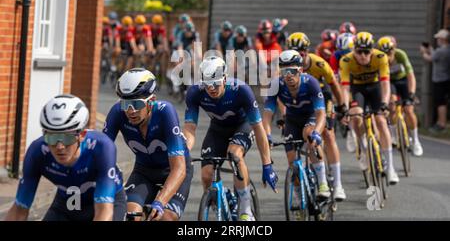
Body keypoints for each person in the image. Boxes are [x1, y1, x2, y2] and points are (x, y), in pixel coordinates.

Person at [183, 56, 278, 221]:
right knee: (206, 174)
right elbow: (190, 129)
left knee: (234, 155)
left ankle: (246, 209)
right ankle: (220, 203)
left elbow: (258, 127)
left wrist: (267, 165)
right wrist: (184, 150)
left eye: (216, 84)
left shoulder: (241, 90)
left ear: (225, 79)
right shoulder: (194, 92)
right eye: (207, 85)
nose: (211, 88)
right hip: (217, 129)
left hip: (242, 125)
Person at [5, 95, 126, 221]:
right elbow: (19, 211)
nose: (59, 146)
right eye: (51, 138)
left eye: (67, 137)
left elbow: (103, 211)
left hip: (106, 202)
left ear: (82, 135)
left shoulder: (102, 147)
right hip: (69, 202)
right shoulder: (37, 152)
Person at [103, 68, 192, 221]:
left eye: (136, 104)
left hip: (173, 170)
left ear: (151, 101)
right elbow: (101, 151)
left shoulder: (165, 113)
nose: (130, 111)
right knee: (131, 216)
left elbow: (179, 168)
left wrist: (159, 202)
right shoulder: (118, 112)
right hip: (144, 172)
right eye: (126, 104)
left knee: (167, 217)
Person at [286, 33, 347, 200]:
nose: (298, 55)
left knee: (327, 133)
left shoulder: (319, 63)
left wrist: (342, 107)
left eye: (302, 51)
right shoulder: (285, 68)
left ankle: (338, 184)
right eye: (294, 51)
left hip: (322, 99)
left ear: (307, 51)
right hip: (302, 103)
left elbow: (334, 85)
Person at [262, 50, 330, 199]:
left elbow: (321, 114)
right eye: (284, 71)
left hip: (310, 117)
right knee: (292, 162)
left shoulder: (310, 82)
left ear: (300, 70)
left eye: (292, 71)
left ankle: (323, 183)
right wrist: (266, 135)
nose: (288, 75)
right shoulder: (276, 85)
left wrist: (317, 133)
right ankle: (300, 201)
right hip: (292, 120)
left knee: (309, 135)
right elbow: (267, 116)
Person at [340, 32, 400, 184]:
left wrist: (385, 103)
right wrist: (345, 108)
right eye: (359, 51)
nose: (362, 55)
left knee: (380, 121)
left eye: (366, 51)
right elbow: (345, 89)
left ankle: (391, 168)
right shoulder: (346, 60)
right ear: (354, 50)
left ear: (372, 51)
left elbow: (385, 84)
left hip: (375, 88)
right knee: (356, 115)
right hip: (357, 89)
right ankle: (361, 146)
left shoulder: (381, 57)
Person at [377, 36, 423, 156]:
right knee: (391, 105)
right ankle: (392, 135)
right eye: (384, 52)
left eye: (390, 51)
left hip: (402, 81)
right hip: (389, 82)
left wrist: (412, 93)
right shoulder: (378, 58)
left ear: (395, 48)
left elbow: (410, 75)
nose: (388, 54)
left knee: (409, 109)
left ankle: (415, 140)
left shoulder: (400, 55)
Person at [420, 29, 450, 133]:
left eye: (438, 38)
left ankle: (441, 124)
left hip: (439, 80)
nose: (437, 40)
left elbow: (430, 58)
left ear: (443, 39)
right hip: (445, 79)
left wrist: (424, 52)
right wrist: (431, 49)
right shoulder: (446, 49)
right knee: (442, 102)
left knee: (440, 102)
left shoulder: (441, 51)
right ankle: (441, 122)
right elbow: (435, 55)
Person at [150, 14, 170, 84]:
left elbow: (164, 39)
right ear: (153, 23)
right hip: (149, 42)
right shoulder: (149, 28)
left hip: (156, 43)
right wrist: (151, 48)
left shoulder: (161, 29)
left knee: (161, 48)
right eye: (156, 24)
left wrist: (166, 48)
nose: (158, 26)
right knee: (150, 55)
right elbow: (148, 40)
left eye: (159, 24)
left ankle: (161, 71)